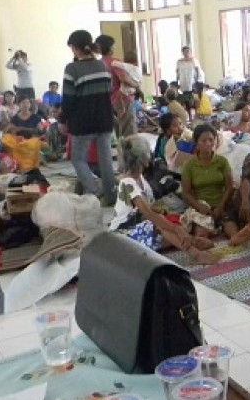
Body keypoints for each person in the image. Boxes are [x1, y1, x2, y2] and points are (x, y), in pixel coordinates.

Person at [109, 135, 218, 265]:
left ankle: (192, 241)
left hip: (138, 228)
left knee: (172, 226)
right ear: (143, 158)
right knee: (161, 226)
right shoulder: (127, 183)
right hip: (122, 234)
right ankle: (195, 253)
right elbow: (149, 214)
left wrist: (169, 220)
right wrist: (176, 229)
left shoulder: (141, 179)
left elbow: (151, 209)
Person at [61, 30, 117, 206]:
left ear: (76, 48)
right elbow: (108, 91)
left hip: (83, 122)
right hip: (104, 120)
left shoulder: (72, 69)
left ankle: (93, 189)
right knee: (106, 160)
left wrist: (63, 120)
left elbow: (69, 99)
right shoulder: (102, 66)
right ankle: (111, 196)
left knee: (78, 159)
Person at [180, 124, 237, 239]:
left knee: (231, 229)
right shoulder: (189, 165)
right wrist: (199, 206)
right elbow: (186, 192)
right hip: (201, 208)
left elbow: (230, 187)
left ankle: (233, 236)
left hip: (222, 205)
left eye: (211, 140)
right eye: (203, 141)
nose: (208, 144)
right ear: (196, 143)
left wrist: (221, 207)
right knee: (202, 232)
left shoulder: (222, 161)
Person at [95, 35, 140, 162]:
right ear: (110, 47)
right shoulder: (115, 62)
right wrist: (137, 85)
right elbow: (124, 79)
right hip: (123, 99)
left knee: (119, 133)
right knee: (129, 133)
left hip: (108, 101)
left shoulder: (98, 64)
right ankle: (131, 163)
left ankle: (122, 162)